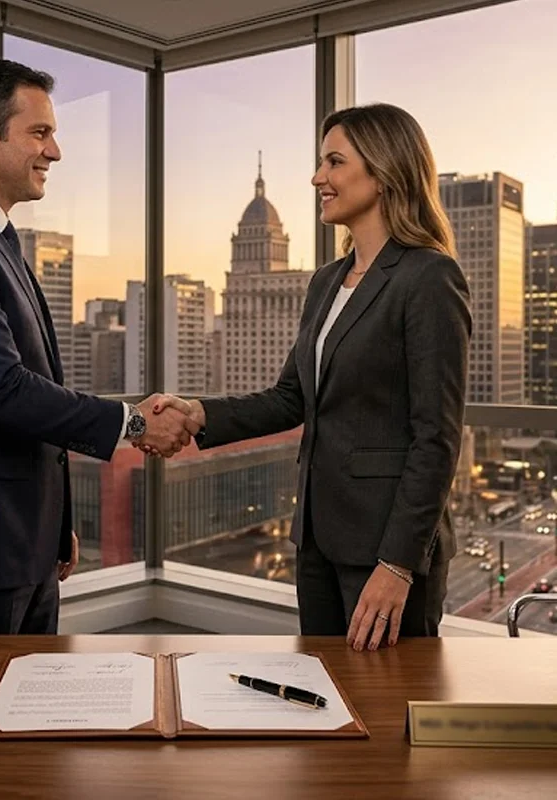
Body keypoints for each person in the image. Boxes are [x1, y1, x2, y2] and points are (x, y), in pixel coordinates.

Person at [0, 58, 197, 635]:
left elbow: (38, 388)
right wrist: (131, 424)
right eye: (40, 132)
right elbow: (1, 391)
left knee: (23, 719)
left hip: (17, 545)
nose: (54, 152)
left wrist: (52, 526)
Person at [149, 103, 471, 651]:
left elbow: (436, 440)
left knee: (385, 711)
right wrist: (200, 414)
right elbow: (291, 398)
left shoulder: (429, 277)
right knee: (324, 704)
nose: (318, 177)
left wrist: (397, 564)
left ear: (385, 171)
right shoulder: (327, 281)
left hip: (386, 551)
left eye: (334, 161)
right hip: (318, 540)